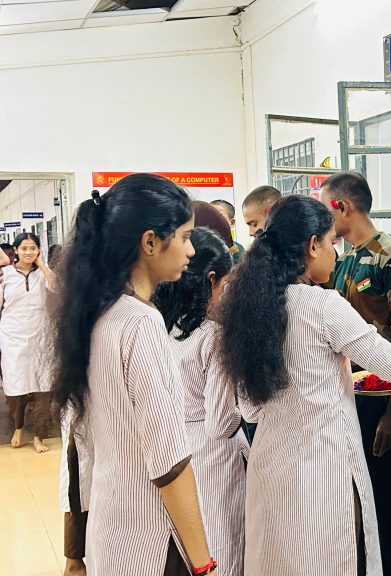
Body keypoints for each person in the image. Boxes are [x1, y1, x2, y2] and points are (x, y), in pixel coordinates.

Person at [216, 194, 391, 576]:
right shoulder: (323, 306)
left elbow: (250, 408)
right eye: (331, 243)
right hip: (321, 474)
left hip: (271, 467)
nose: (336, 255)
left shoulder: (249, 308)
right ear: (312, 245)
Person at [50, 174, 219, 576]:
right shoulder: (139, 323)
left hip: (112, 530)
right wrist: (203, 563)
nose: (192, 250)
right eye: (184, 236)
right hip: (152, 537)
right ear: (149, 242)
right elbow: (170, 463)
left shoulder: (97, 314)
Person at [320, 172, 391, 576]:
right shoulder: (345, 259)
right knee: (374, 500)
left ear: (343, 207)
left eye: (325, 206)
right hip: (357, 397)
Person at [154, 227, 245, 576]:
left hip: (172, 451)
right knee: (223, 548)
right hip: (213, 457)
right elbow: (221, 423)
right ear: (210, 279)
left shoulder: (159, 325)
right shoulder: (213, 337)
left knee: (186, 548)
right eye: (227, 282)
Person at [1, 232, 56, 452]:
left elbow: (58, 288)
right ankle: (19, 427)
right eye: (24, 248)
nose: (28, 252)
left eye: (32, 248)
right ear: (15, 250)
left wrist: (41, 264)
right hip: (12, 336)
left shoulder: (44, 274)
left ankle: (39, 436)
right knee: (16, 386)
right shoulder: (6, 275)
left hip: (41, 335)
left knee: (43, 385)